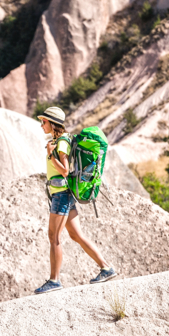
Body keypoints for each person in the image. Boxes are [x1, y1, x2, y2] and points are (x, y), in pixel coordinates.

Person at [34, 107, 116, 294]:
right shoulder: (60, 141)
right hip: (64, 193)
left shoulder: (61, 143)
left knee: (54, 237)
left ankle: (54, 280)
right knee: (75, 235)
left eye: (44, 122)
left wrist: (49, 154)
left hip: (61, 195)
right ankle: (106, 268)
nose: (41, 125)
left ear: (53, 124)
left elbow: (63, 170)